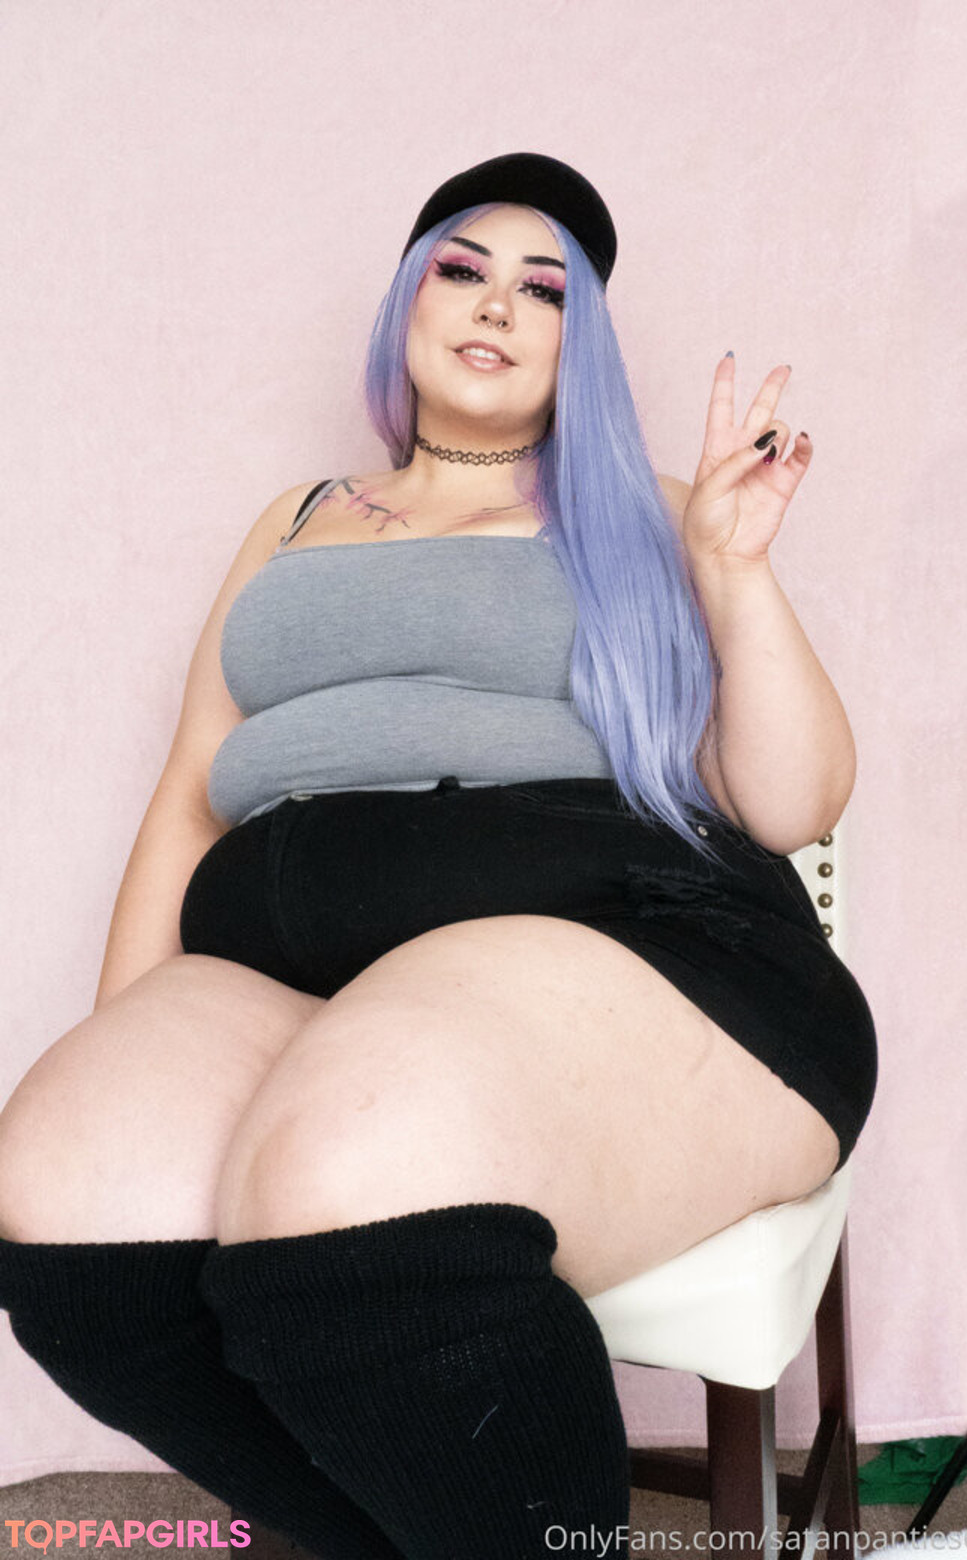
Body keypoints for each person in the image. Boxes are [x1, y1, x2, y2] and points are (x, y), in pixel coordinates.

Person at [0, 153, 877, 1559]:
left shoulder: (654, 510)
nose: (497, 304)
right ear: (407, 302)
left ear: (582, 345)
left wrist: (735, 571)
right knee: (71, 1197)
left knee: (355, 1188)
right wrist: (136, 1038)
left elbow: (791, 802)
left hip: (639, 958)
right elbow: (187, 796)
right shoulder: (293, 521)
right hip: (303, 979)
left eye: (547, 290)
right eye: (462, 268)